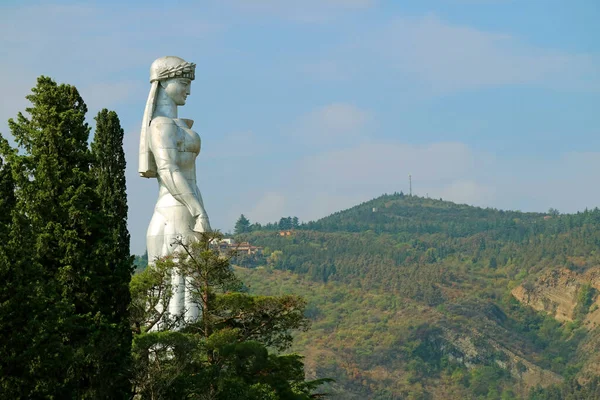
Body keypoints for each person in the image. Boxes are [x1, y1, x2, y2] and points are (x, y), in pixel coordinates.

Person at [139, 56, 210, 321]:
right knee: (181, 284)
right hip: (178, 209)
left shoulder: (170, 125)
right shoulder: (161, 125)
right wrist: (198, 211)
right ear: (164, 82)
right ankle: (177, 353)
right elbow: (168, 170)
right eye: (183, 82)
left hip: (178, 206)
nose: (188, 90)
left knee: (174, 285)